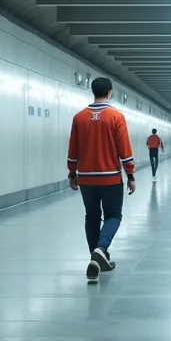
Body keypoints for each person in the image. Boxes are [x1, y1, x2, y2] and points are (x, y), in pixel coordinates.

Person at [67, 77, 135, 283]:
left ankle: (95, 259)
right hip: (111, 178)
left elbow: (73, 148)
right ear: (110, 92)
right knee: (113, 215)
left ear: (92, 91)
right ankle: (101, 249)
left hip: (86, 178)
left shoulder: (79, 117)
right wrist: (130, 174)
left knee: (92, 216)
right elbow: (124, 150)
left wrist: (72, 172)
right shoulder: (116, 116)